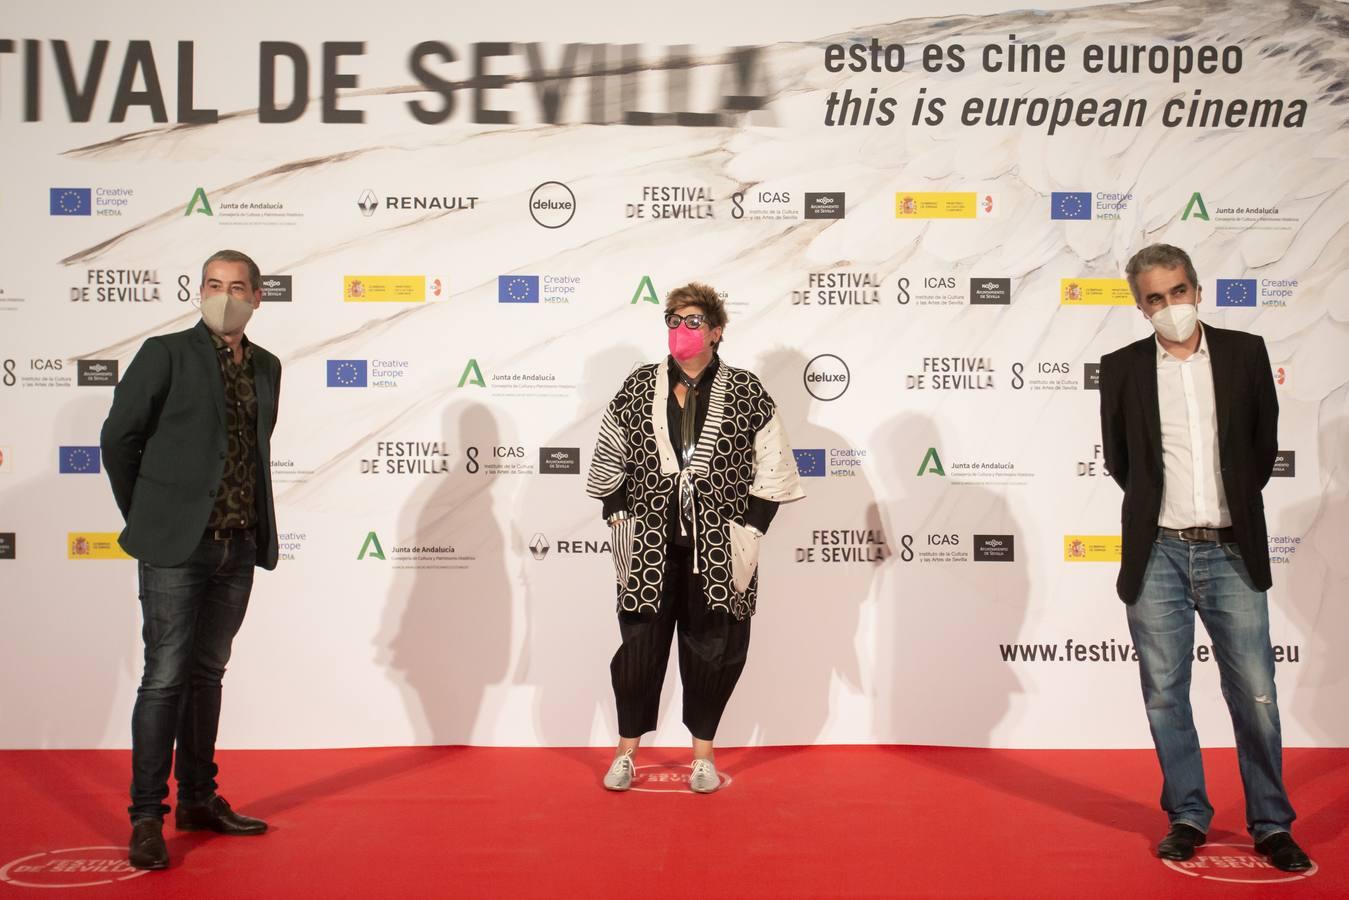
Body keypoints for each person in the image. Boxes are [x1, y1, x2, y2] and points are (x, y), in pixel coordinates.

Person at [1098, 244, 1311, 871]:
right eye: (1155, 299)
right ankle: (1188, 815)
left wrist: (1227, 510)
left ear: (1197, 288)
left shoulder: (1246, 353)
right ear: (1141, 307)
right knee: (1165, 693)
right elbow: (1121, 462)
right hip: (1156, 552)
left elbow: (1262, 445)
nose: (1171, 307)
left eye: (1179, 291)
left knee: (1256, 693)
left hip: (1231, 550)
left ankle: (1271, 823)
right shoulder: (1122, 368)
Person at [101, 249, 282, 870]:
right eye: (212, 284)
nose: (223, 295)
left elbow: (251, 453)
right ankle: (147, 816)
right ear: (198, 290)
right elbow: (118, 439)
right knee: (164, 678)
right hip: (176, 546)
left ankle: (200, 798)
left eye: (236, 287)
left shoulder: (268, 367)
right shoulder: (166, 354)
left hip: (238, 544)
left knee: (208, 676)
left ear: (258, 297)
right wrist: (149, 517)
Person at [586, 282, 804, 793]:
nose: (680, 332)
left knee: (715, 650)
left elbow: (773, 469)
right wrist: (618, 514)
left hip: (719, 547)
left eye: (691, 322)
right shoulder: (638, 387)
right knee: (640, 647)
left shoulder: (748, 393)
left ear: (716, 331)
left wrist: (751, 527)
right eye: (673, 322)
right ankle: (626, 753)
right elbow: (609, 458)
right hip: (648, 547)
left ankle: (702, 756)